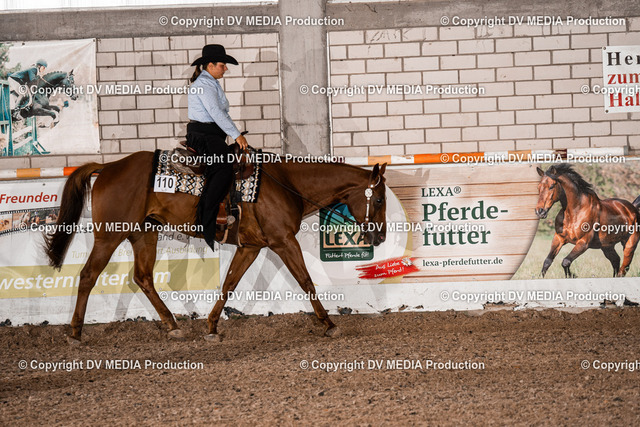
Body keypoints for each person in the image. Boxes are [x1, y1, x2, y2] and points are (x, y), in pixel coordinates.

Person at [187, 44, 248, 248]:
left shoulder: (210, 83)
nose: (226, 69)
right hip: (204, 135)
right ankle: (208, 218)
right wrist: (236, 135)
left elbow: (220, 114)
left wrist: (234, 133)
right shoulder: (204, 85)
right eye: (222, 65)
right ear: (210, 65)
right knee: (223, 167)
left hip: (211, 134)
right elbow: (215, 112)